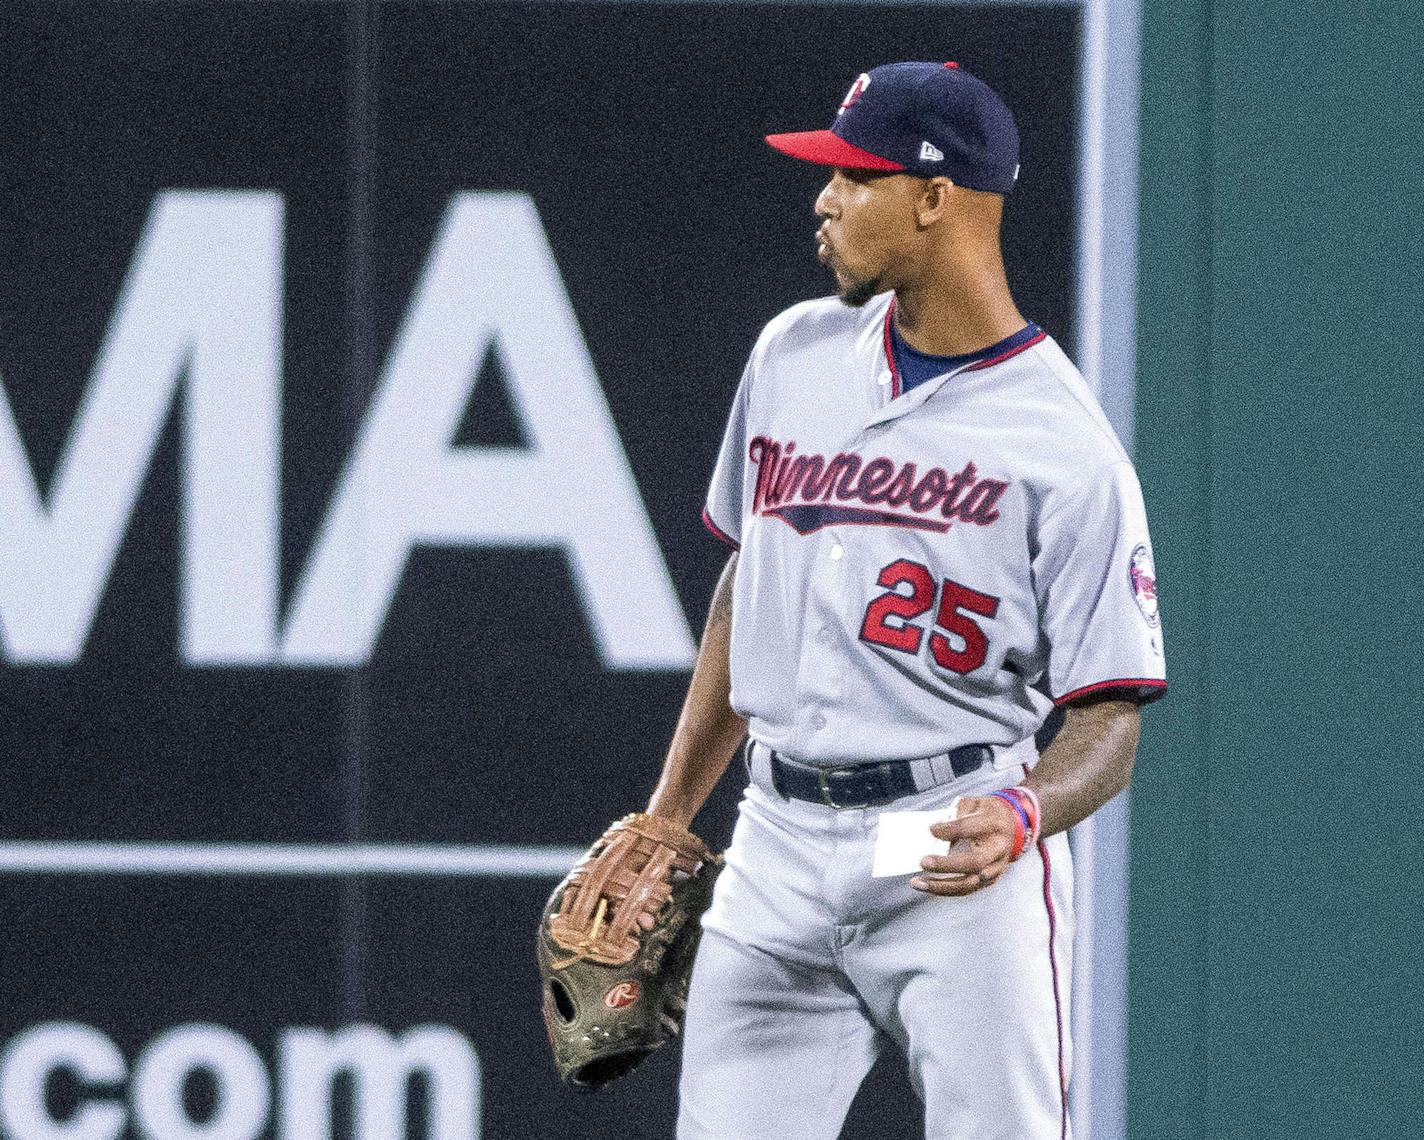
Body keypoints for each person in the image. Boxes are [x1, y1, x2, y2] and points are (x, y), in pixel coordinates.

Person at [644, 61, 1166, 1140]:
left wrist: (1024, 813)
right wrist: (667, 815)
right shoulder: (792, 355)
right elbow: (749, 586)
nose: (822, 198)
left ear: (934, 199)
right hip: (776, 836)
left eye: (854, 177)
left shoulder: (1062, 447)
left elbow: (1109, 718)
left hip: (950, 849)